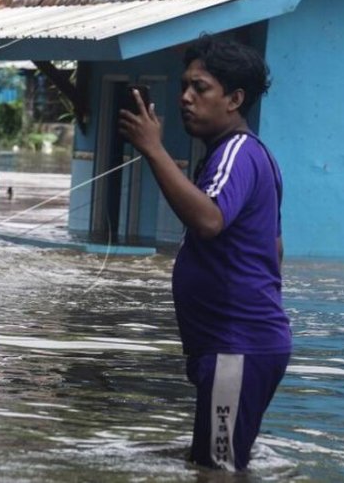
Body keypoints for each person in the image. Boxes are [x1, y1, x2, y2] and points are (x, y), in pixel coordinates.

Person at [119, 35, 291, 471]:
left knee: (218, 469)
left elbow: (210, 221)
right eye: (184, 86)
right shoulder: (249, 156)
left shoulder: (236, 152)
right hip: (236, 347)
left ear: (235, 99)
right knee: (212, 463)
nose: (185, 98)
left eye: (200, 88)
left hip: (237, 347)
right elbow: (274, 248)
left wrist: (154, 149)